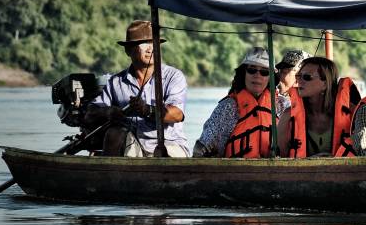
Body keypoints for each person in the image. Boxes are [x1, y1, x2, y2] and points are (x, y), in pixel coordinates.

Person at [87, 20, 189, 157]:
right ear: (128, 50)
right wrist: (108, 111)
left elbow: (177, 114)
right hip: (133, 146)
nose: (151, 49)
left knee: (161, 154)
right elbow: (90, 113)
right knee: (114, 133)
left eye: (154, 43)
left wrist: (147, 110)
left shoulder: (173, 76)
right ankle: (112, 170)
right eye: (144, 43)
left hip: (169, 144)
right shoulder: (116, 82)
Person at [193, 47, 290, 158]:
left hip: (275, 167)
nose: (257, 75)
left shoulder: (283, 105)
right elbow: (202, 146)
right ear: (243, 73)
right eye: (252, 70)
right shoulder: (227, 107)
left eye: (264, 72)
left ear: (271, 78)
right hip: (234, 168)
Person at [276, 56, 361, 157]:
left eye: (307, 77)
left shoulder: (351, 114)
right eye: (298, 76)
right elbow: (280, 159)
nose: (299, 81)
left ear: (325, 83)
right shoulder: (288, 117)